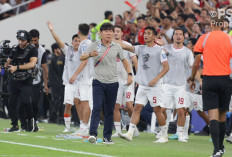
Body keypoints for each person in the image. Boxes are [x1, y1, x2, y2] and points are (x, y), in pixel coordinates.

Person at [80, 23, 133, 144]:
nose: (109, 33)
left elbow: (125, 61)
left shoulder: (117, 46)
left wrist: (129, 74)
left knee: (110, 110)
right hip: (98, 81)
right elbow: (82, 57)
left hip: (113, 82)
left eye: (110, 31)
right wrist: (89, 54)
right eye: (106, 31)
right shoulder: (94, 44)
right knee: (97, 107)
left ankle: (107, 137)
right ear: (100, 33)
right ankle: (92, 134)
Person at [115, 26, 169, 143]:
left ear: (154, 37)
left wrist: (156, 78)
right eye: (145, 33)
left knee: (157, 110)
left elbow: (166, 67)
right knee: (137, 108)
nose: (145, 35)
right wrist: (109, 39)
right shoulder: (140, 48)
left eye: (149, 33)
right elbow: (124, 46)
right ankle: (130, 133)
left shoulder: (160, 50)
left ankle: (164, 135)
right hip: (143, 85)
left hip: (155, 86)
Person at [190, 15, 232, 157]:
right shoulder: (229, 39)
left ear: (211, 24)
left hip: (209, 79)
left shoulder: (204, 38)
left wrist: (192, 78)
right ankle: (220, 147)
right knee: (222, 116)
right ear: (223, 25)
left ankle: (217, 150)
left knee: (213, 116)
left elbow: (196, 63)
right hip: (225, 79)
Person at [47, 21, 82, 132]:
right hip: (69, 83)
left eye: (79, 41)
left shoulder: (84, 52)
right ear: (72, 42)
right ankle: (67, 127)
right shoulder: (68, 50)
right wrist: (52, 31)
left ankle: (83, 125)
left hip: (80, 83)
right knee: (68, 104)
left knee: (79, 105)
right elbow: (58, 41)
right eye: (75, 41)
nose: (77, 43)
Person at [162, 27, 194, 143]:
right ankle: (163, 133)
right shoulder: (165, 49)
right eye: (176, 34)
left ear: (183, 37)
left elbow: (192, 67)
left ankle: (180, 134)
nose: (178, 36)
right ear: (173, 36)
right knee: (163, 110)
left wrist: (192, 79)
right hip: (167, 84)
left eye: (181, 34)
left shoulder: (187, 52)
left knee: (181, 111)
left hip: (180, 86)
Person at [4, 30, 38, 132]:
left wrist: (17, 67)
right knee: (11, 103)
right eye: (19, 40)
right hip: (14, 79)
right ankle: (15, 125)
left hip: (26, 79)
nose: (21, 42)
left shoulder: (32, 49)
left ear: (27, 40)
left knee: (26, 102)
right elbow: (7, 63)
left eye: (23, 40)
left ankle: (31, 123)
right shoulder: (14, 49)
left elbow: (32, 64)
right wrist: (4, 64)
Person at [17, 29, 48, 132]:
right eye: (32, 41)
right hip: (23, 79)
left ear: (38, 39)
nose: (34, 43)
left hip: (36, 80)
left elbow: (45, 68)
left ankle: (33, 123)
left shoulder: (42, 51)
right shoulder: (22, 48)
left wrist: (46, 84)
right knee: (21, 103)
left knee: (34, 103)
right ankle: (24, 124)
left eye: (36, 40)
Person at [112, 25, 138, 137]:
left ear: (122, 33)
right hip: (115, 80)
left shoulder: (127, 45)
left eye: (118, 31)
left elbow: (135, 61)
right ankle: (118, 131)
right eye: (114, 31)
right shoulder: (109, 46)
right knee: (115, 106)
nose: (115, 33)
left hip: (128, 79)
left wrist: (138, 76)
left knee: (129, 106)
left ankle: (133, 128)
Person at [71, 23, 93, 136]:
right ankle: (82, 126)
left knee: (85, 102)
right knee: (77, 101)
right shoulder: (85, 43)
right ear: (88, 32)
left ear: (78, 31)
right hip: (83, 77)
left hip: (86, 77)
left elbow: (85, 60)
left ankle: (85, 127)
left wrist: (75, 75)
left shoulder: (85, 44)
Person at [47, 43, 65, 124]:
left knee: (55, 100)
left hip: (52, 82)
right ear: (55, 49)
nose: (60, 50)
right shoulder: (56, 59)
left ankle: (52, 117)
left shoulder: (50, 57)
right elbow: (59, 71)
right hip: (57, 82)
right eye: (59, 49)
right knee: (58, 100)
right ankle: (53, 117)